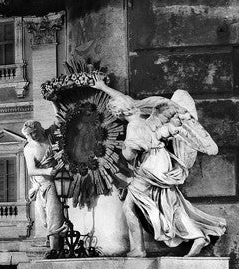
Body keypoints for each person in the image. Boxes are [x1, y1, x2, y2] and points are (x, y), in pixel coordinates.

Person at [91, 78, 225, 257]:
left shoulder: (134, 126)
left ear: (120, 113)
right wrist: (103, 87)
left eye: (115, 113)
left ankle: (140, 249)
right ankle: (196, 235)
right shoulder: (147, 119)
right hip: (160, 162)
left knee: (132, 208)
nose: (116, 117)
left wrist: (125, 149)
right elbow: (126, 100)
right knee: (168, 203)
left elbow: (132, 153)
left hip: (150, 167)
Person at [22, 120, 65, 256]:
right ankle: (55, 247)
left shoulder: (49, 136)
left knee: (56, 214)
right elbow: (31, 170)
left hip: (59, 178)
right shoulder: (29, 148)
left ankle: (57, 247)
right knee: (50, 217)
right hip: (44, 183)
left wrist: (54, 102)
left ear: (40, 129)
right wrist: (47, 172)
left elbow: (60, 120)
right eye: (30, 134)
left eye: (35, 132)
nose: (33, 136)